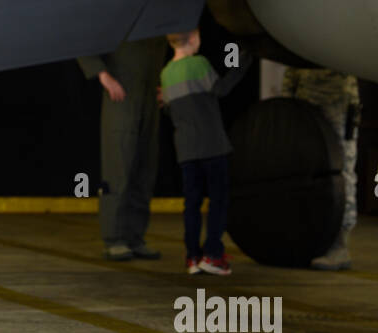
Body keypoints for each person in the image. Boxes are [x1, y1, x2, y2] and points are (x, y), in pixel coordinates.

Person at [159, 30, 251, 275]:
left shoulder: (166, 73)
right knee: (218, 201)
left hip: (186, 150)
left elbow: (169, 109)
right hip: (211, 145)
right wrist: (241, 64)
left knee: (192, 203)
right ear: (192, 39)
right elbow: (220, 89)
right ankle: (212, 254)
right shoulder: (198, 64)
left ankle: (192, 256)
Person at [77, 38, 169, 261]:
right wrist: (103, 76)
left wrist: (167, 84)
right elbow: (83, 43)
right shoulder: (118, 10)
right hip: (122, 97)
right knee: (119, 169)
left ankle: (135, 237)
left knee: (144, 169)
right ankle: (114, 238)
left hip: (148, 98)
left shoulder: (155, 16)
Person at [282, 68, 359, 270]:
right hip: (306, 102)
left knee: (342, 172)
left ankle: (339, 246)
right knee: (305, 173)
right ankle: (309, 242)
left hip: (338, 101)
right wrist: (287, 100)